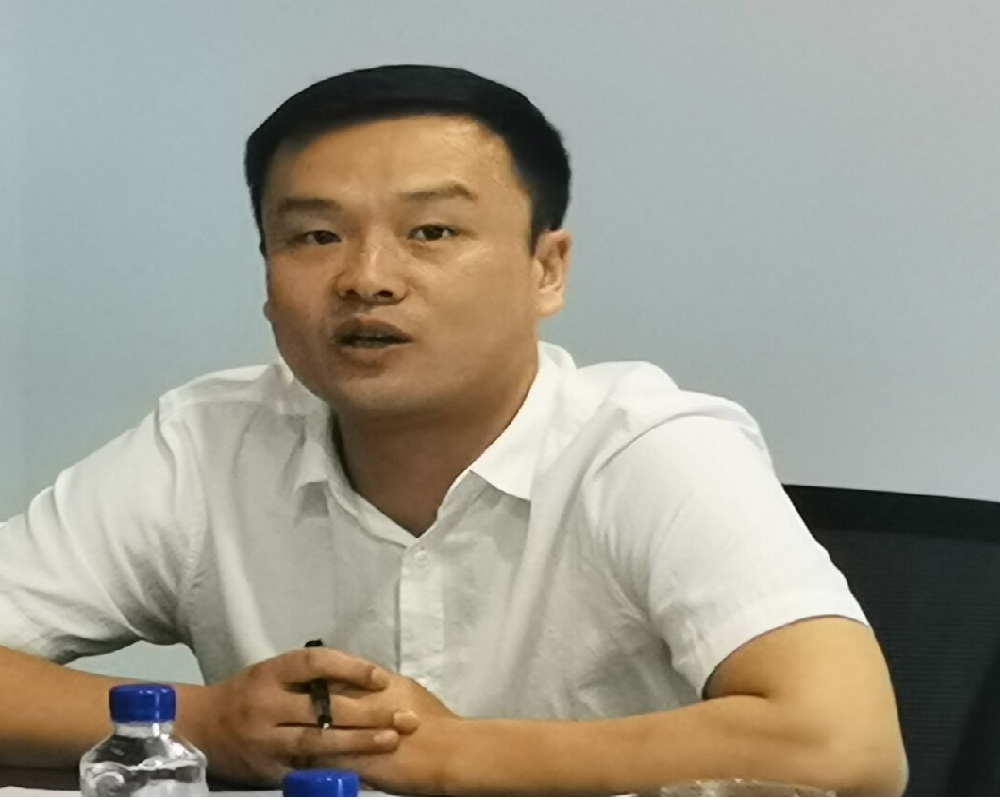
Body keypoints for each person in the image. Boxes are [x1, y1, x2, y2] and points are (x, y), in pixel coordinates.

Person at [0, 64, 906, 796]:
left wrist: (439, 754)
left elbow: (847, 744)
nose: (367, 278)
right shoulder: (208, 441)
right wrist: (207, 725)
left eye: (432, 231)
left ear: (547, 269)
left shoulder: (648, 448)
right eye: (314, 237)